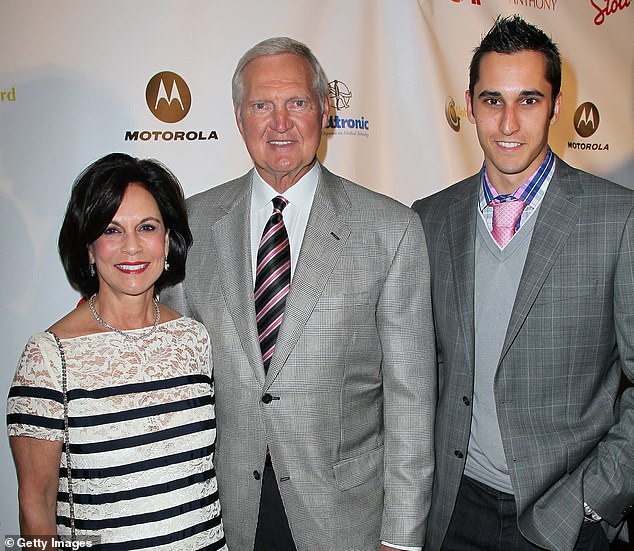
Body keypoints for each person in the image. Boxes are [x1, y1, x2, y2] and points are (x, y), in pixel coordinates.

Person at [160, 37, 436, 551]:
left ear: (326, 110)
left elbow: (411, 402)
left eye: (297, 103)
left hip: (344, 519)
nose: (279, 123)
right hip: (221, 515)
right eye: (262, 105)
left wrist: (401, 539)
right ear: (239, 117)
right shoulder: (191, 224)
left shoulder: (390, 230)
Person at [412, 15, 634, 551]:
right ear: (469, 105)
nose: (509, 123)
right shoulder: (431, 218)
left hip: (564, 517)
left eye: (529, 100)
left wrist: (591, 499)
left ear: (557, 105)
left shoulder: (618, 220)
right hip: (453, 508)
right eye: (492, 100)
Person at [7, 153, 227, 550]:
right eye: (111, 230)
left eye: (147, 227)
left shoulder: (195, 339)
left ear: (167, 240)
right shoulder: (50, 357)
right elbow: (34, 506)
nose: (132, 247)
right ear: (89, 248)